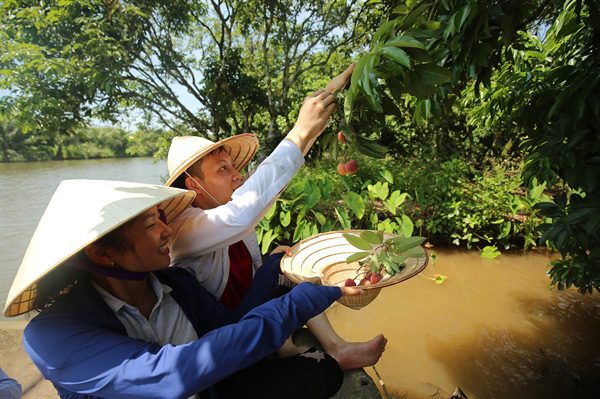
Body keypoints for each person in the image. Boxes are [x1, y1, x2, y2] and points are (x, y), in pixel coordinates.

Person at [4, 179, 366, 399]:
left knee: (320, 374)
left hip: (205, 391)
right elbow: (174, 375)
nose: (165, 231)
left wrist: (273, 273)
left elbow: (230, 327)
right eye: (149, 225)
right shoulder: (53, 336)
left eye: (161, 217)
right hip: (189, 384)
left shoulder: (174, 282)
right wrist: (299, 303)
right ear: (102, 253)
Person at [166, 65, 387, 370]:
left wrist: (318, 116)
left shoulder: (232, 207)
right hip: (222, 336)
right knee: (275, 265)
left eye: (233, 166)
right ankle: (313, 349)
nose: (237, 175)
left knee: (285, 259)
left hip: (245, 313)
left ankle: (316, 347)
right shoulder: (182, 228)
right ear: (194, 186)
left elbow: (270, 184)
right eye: (223, 169)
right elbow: (245, 211)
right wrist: (299, 130)